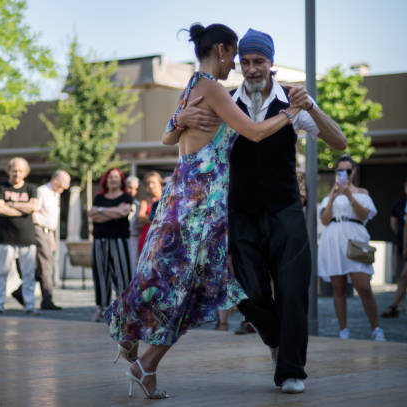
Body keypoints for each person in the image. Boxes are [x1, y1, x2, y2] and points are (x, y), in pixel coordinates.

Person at [105, 23, 306, 399]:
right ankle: (140, 358)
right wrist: (292, 112)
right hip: (199, 207)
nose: (236, 65)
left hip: (182, 198)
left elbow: (169, 135)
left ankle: (136, 351)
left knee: (173, 282)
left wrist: (177, 122)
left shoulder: (194, 84)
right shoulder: (213, 87)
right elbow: (255, 132)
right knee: (188, 288)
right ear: (220, 50)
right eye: (234, 55)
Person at [169, 28, 347, 393]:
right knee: (245, 292)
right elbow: (179, 134)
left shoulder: (293, 103)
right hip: (241, 212)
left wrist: (311, 105)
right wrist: (182, 117)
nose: (250, 69)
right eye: (245, 61)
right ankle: (277, 340)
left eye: (258, 61)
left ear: (271, 64)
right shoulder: (226, 102)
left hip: (285, 210)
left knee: (293, 287)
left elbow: (338, 141)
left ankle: (291, 370)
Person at [318, 156, 385, 340]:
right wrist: (333, 196)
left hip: (355, 238)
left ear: (353, 171)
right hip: (333, 239)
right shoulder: (328, 195)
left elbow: (364, 216)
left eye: (348, 170)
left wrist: (349, 195)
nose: (344, 174)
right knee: (338, 288)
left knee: (363, 286)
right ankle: (343, 330)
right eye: (340, 171)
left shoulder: (362, 192)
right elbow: (324, 220)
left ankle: (376, 328)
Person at [0, 157, 39, 315]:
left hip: (27, 237)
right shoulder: (0, 187)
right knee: (2, 273)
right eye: (14, 170)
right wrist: (22, 209)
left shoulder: (31, 188)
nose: (16, 173)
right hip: (6, 237)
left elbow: (33, 207)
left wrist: (10, 204)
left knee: (28, 275)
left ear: (25, 172)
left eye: (20, 171)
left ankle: (29, 305)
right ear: (9, 171)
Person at [89, 168, 133, 323]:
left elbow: (123, 213)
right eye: (110, 177)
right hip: (100, 240)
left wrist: (101, 212)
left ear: (121, 180)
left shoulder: (126, 196)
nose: (113, 180)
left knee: (122, 274)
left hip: (119, 239)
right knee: (101, 274)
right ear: (106, 180)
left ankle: (123, 309)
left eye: (116, 177)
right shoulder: (99, 198)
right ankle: (100, 308)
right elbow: (93, 216)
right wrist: (113, 212)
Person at [32, 170, 71, 310]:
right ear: (55, 180)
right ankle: (47, 299)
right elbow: (34, 211)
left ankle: (20, 291)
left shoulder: (56, 195)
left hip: (48, 232)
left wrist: (52, 237)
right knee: (46, 264)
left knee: (42, 265)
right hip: (39, 229)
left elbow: (51, 218)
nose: (63, 190)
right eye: (62, 186)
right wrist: (39, 230)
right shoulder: (42, 191)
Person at [382, 175, 407, 317]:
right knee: (404, 275)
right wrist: (405, 246)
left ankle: (394, 306)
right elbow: (406, 228)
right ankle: (396, 305)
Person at [137, 171, 163, 255]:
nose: (150, 186)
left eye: (153, 183)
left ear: (160, 184)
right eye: (148, 183)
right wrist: (158, 219)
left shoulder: (167, 200)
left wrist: (148, 218)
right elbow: (140, 218)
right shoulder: (144, 202)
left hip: (162, 238)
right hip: (146, 237)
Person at [126, 175, 142, 271]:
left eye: (136, 189)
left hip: (134, 239)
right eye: (130, 187)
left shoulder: (138, 205)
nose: (132, 191)